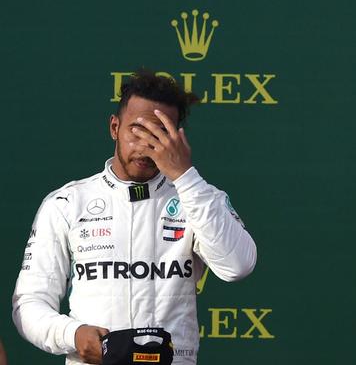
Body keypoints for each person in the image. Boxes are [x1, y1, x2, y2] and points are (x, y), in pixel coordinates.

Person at [13, 70, 257, 364]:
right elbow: (28, 304)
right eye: (137, 130)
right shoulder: (66, 203)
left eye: (159, 134)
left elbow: (238, 266)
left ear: (176, 139)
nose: (145, 145)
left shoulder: (199, 198)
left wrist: (184, 177)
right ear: (114, 127)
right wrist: (72, 334)